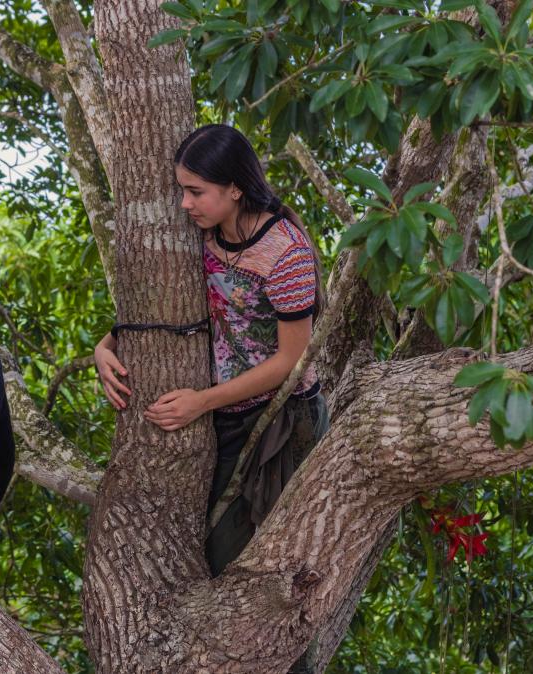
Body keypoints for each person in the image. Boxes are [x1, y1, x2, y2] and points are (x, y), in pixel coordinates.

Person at [94, 123, 331, 578]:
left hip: (281, 418)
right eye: (182, 190)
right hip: (226, 411)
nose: (184, 204)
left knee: (255, 566)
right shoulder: (200, 236)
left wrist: (201, 402)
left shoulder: (286, 253)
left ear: (236, 188)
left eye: (195, 192)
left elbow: (290, 361)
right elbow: (165, 308)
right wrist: (105, 347)